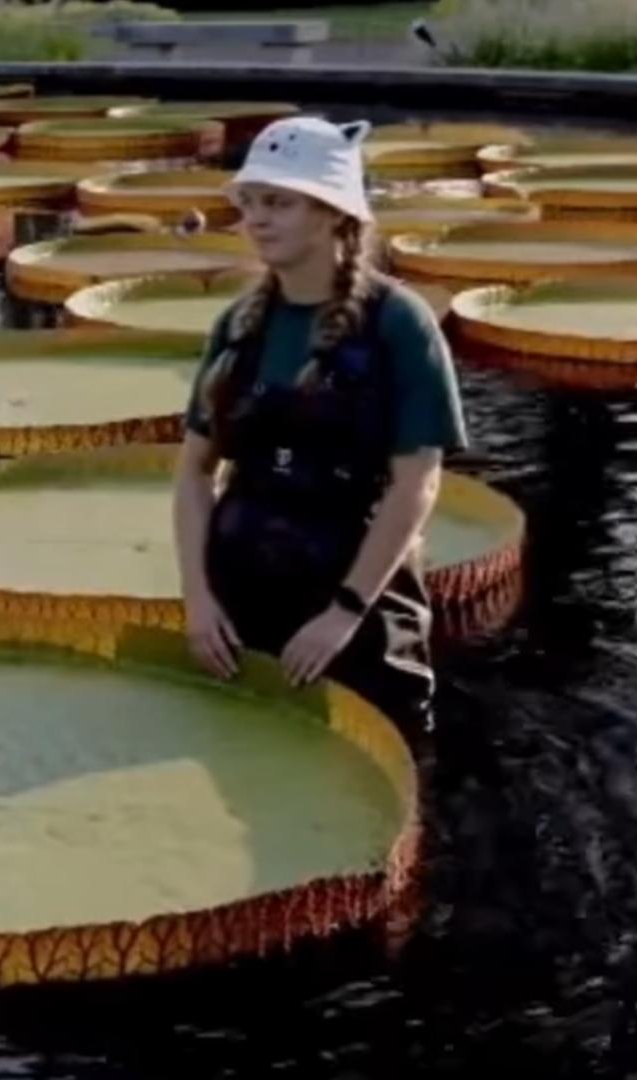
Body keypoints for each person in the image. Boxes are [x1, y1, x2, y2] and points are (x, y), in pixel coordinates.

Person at [171, 116, 469, 733]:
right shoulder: (236, 325)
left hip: (359, 602)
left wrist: (345, 611)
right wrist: (198, 600)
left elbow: (418, 484)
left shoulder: (400, 325)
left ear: (335, 213)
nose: (256, 218)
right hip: (242, 595)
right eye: (250, 202)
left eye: (279, 202)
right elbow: (194, 473)